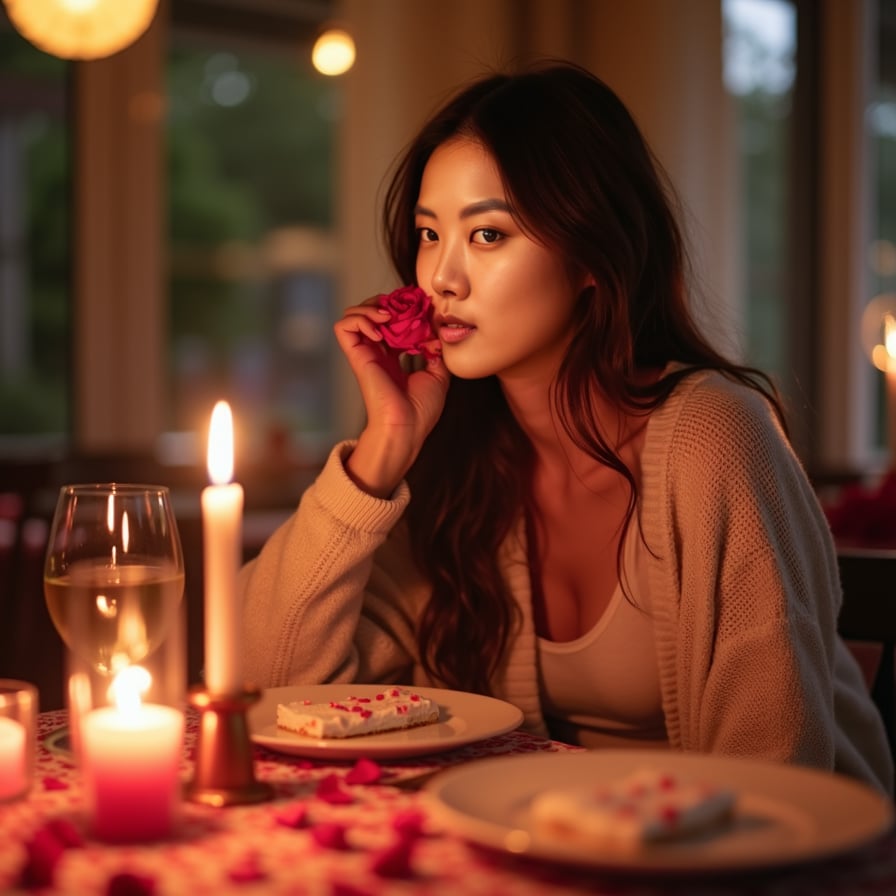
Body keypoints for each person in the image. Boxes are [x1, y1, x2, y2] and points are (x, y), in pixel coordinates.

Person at [238, 60, 893, 793]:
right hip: (543, 848)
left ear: (590, 252)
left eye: (487, 235)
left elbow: (773, 783)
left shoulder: (716, 435)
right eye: (429, 234)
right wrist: (380, 452)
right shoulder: (451, 456)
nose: (440, 279)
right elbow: (260, 684)